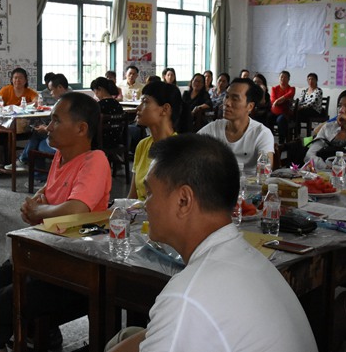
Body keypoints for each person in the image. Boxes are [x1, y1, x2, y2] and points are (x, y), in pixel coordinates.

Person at [107, 134, 317, 352]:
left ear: (183, 200)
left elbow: (186, 311)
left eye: (150, 193)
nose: (145, 205)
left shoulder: (188, 296)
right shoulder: (248, 256)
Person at [0, 92, 111, 352]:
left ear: (81, 129)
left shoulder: (95, 160)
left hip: (71, 268)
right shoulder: (60, 156)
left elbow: (77, 210)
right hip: (40, 255)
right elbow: (49, 193)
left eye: (56, 120)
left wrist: (39, 211)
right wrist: (36, 203)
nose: (49, 126)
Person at [198, 78, 274, 169]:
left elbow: (265, 170)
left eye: (235, 99)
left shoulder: (261, 133)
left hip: (250, 179)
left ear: (250, 106)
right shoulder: (214, 128)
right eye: (226, 96)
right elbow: (189, 147)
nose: (227, 103)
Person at [128, 81, 181, 201]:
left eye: (145, 102)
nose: (138, 108)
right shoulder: (142, 145)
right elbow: (132, 197)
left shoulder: (179, 151)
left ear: (165, 109)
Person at [6, 74, 69, 173]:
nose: (51, 93)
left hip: (64, 142)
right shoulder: (68, 100)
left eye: (51, 90)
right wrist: (45, 128)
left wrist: (45, 129)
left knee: (37, 142)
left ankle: (24, 162)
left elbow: (63, 128)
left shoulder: (63, 104)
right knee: (37, 136)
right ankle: (31, 168)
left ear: (60, 87)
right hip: (65, 138)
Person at [90, 76, 124, 148]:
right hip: (116, 140)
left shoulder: (98, 106)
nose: (95, 95)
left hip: (101, 141)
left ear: (100, 89)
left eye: (95, 91)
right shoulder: (117, 104)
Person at [268, 70, 296, 143]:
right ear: (279, 78)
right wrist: (283, 100)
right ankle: (269, 140)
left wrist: (277, 101)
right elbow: (273, 101)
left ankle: (281, 142)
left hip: (285, 113)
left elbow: (290, 94)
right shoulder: (274, 89)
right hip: (274, 112)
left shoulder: (291, 89)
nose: (283, 79)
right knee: (267, 117)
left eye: (285, 77)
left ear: (288, 79)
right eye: (281, 77)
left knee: (280, 120)